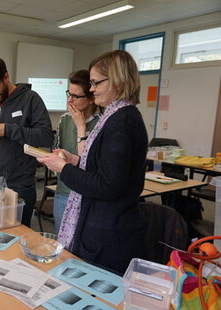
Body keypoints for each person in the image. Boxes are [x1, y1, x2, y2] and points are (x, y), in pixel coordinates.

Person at [37, 50, 148, 274]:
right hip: (105, 226)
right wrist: (76, 160)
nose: (92, 88)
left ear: (117, 81)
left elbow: (108, 185)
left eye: (96, 83)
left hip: (109, 233)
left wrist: (64, 169)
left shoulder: (121, 121)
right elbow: (104, 166)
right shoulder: (115, 116)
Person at [0, 56, 54, 227]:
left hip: (19, 186)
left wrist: (7, 129)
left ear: (6, 77)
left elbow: (46, 136)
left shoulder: (30, 99)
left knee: (16, 240)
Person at [53, 70, 99, 235]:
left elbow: (88, 163)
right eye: (69, 94)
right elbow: (58, 151)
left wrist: (81, 127)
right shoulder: (65, 120)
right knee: (62, 245)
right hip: (64, 191)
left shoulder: (101, 123)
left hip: (88, 195)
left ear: (92, 98)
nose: (70, 100)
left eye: (76, 96)